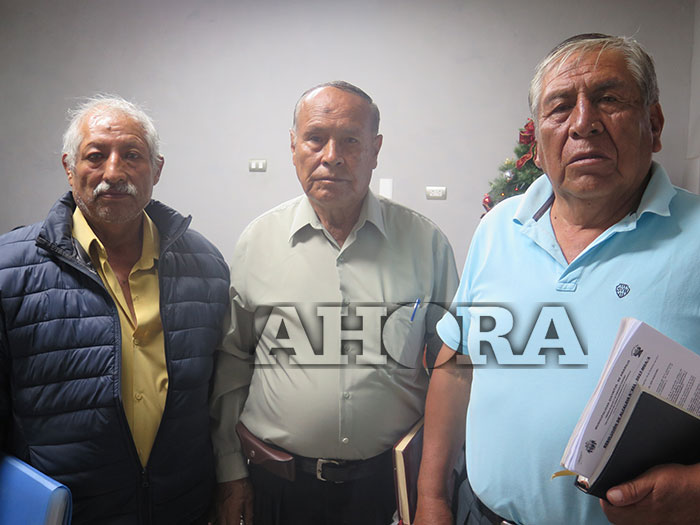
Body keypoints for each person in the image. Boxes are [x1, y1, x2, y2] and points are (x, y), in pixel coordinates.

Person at [415, 33, 700, 525]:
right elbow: (458, 367)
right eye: (560, 107)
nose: (583, 123)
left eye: (609, 99)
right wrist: (432, 499)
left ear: (653, 125)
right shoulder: (498, 228)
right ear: (538, 144)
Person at [211, 81, 459, 525]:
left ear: (375, 149)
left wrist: (433, 491)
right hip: (279, 487)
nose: (331, 156)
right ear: (293, 147)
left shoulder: (426, 244)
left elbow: (450, 369)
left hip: (388, 489)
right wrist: (231, 472)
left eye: (350, 141)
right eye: (315, 138)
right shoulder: (258, 242)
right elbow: (234, 361)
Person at [0, 95, 230, 524]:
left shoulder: (206, 266)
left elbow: (217, 399)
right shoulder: (9, 271)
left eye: (132, 156)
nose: (113, 172)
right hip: (67, 514)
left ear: (157, 169)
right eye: (95, 156)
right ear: (69, 168)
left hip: (182, 508)